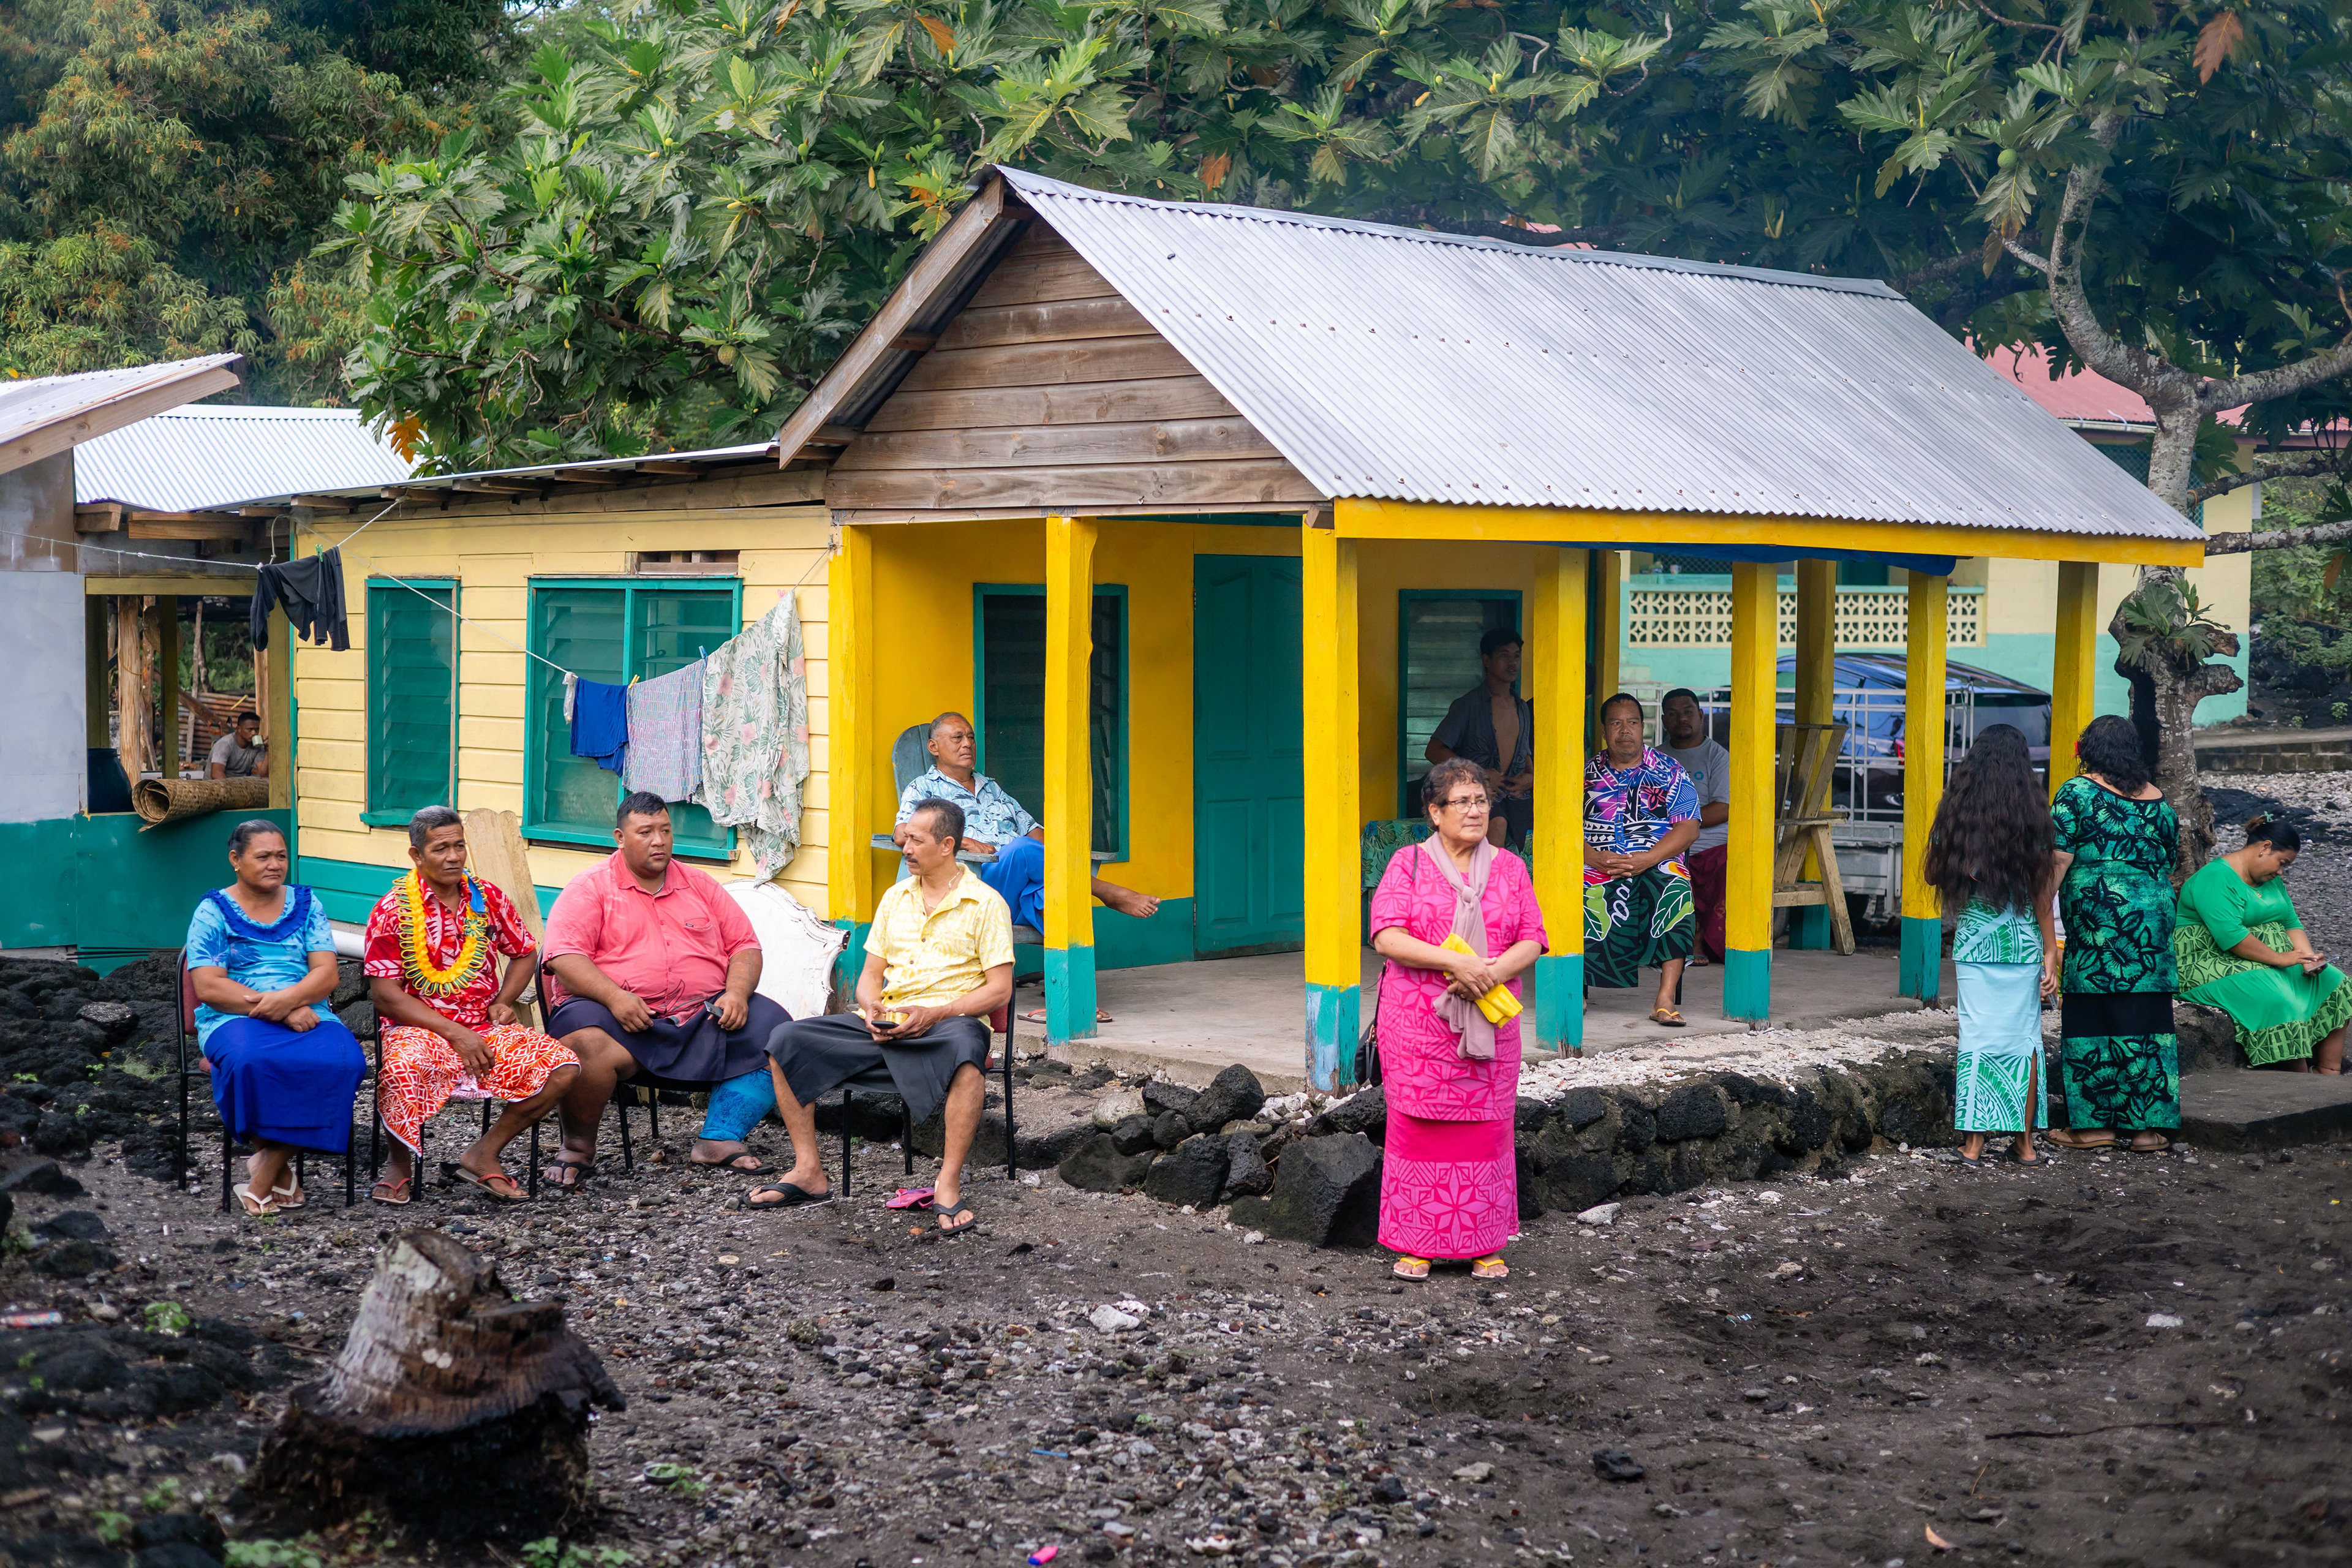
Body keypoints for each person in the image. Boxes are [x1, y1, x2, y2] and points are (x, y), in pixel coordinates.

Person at [755, 797, 1012, 1233]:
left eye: (916, 840)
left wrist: (937, 1013)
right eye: (904, 838)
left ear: (947, 845)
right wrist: (872, 1006)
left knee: (970, 1050)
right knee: (785, 1041)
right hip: (887, 1024)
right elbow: (870, 977)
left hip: (947, 1025)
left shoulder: (986, 904)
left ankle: (947, 1183)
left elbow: (1000, 989)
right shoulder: (896, 898)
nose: (906, 847)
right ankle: (808, 1172)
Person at [538, 793, 793, 1189]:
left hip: (702, 1016)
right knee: (585, 1043)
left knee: (779, 1031)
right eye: (646, 832)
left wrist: (738, 993)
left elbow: (745, 946)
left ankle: (719, 1137)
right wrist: (615, 998)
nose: (659, 841)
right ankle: (577, 1148)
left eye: (665, 831)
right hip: (618, 1017)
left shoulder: (701, 884)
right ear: (621, 837)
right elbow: (564, 959)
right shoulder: (589, 888)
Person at [1368, 758, 1546, 1281]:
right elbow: (1386, 936)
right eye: (1462, 801)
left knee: (1487, 1131)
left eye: (1482, 800)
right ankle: (1416, 1243)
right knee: (1418, 1128)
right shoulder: (1409, 865)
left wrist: (1488, 973)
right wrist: (1456, 962)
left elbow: (1533, 938)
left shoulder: (1510, 868)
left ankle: (1484, 1243)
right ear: (1434, 812)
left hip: (1489, 1025)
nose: (1475, 810)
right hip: (1419, 1025)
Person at [361, 806, 582, 1204]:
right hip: (419, 1030)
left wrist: (504, 1001)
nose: (453, 857)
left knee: (562, 1067)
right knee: (401, 1067)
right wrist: (455, 1034)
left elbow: (524, 952)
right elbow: (385, 995)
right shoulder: (392, 909)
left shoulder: (487, 898)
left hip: (483, 1028)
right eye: (441, 848)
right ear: (416, 855)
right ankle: (398, 1165)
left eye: (459, 846)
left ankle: (484, 1154)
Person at [895, 712, 1158, 1022]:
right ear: (934, 747)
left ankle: (1072, 1002)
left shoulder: (992, 788)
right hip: (973, 886)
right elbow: (903, 833)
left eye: (971, 737)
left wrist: (1063, 853)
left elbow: (1036, 835)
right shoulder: (923, 788)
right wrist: (963, 842)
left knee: (1051, 896)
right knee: (1021, 851)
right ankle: (1106, 892)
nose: (968, 744)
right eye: (958, 738)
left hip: (1017, 889)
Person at [184, 820, 366, 1216]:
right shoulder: (212, 911)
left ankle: (265, 1168)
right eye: (263, 856)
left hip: (308, 1011)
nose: (275, 864)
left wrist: (291, 1000)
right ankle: (270, 1177)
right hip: (232, 1016)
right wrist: (281, 1009)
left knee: (345, 1061)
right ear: (236, 859)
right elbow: (210, 987)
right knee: (252, 1062)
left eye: (281, 856)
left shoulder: (307, 905)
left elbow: (326, 973)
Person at [2043, 714, 2180, 1152]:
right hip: (2151, 925)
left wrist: (2041, 916)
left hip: (2100, 921)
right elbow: (2169, 860)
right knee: (2147, 1018)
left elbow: (2056, 860)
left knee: (2091, 1016)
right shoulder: (2161, 803)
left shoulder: (2077, 793)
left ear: (2088, 751)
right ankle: (2144, 1130)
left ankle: (2093, 1128)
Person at [1921, 725, 2056, 1167]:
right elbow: (2042, 891)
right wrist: (2051, 950)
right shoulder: (2035, 817)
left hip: (1977, 939)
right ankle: (2026, 1145)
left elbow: (1932, 875)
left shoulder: (1957, 814)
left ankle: (1974, 1145)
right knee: (2025, 1039)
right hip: (2022, 942)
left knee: (1977, 1036)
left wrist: (1967, 859)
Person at [2174, 815, 2349, 1074]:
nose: (2281, 872)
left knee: (2335, 982)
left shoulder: (2270, 880)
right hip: (2212, 961)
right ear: (2265, 847)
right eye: (2282, 863)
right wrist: (2281, 959)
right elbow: (2231, 937)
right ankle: (2302, 1085)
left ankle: (2328, 1073)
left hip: (2268, 957)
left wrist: (2308, 958)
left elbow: (2291, 921)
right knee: (2279, 1000)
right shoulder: (2215, 878)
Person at [1584, 693, 1700, 1027]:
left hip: (1656, 857)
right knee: (1576, 889)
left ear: (1643, 727)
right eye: (1616, 723)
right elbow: (1563, 826)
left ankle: (1664, 999)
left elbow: (1689, 827)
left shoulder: (1668, 769)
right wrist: (1593, 856)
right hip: (1596, 859)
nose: (1625, 731)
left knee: (1675, 884)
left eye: (1632, 722)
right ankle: (1576, 991)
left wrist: (1648, 858)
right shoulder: (1585, 774)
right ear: (1604, 730)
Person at [1425, 627, 1534, 848]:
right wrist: (1478, 774)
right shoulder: (1468, 705)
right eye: (1504, 656)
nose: (1512, 663)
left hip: (1514, 797)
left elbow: (1526, 757)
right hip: (1474, 795)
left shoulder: (1522, 708)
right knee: (1498, 823)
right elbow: (1434, 750)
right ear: (1487, 660)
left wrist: (1532, 779)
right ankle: (1486, 883)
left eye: (1516, 656)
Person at [1657, 687, 1730, 965]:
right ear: (1664, 721)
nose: (1682, 719)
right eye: (1673, 714)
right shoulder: (1656, 758)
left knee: (1727, 864)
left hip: (1711, 846)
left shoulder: (1717, 756)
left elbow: (1723, 808)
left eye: (1688, 712)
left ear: (1700, 716)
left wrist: (1682, 820)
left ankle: (1702, 939)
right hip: (1668, 844)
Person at [209, 712, 269, 778]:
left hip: (240, 785)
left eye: (257, 729)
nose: (254, 733)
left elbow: (264, 775)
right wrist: (229, 788)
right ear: (239, 729)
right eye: (250, 729)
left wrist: (267, 751)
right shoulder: (225, 744)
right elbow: (216, 774)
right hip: (217, 785)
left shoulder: (257, 746)